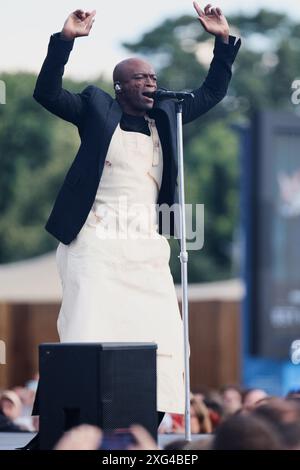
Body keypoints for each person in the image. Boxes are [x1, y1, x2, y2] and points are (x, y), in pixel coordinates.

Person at [28, 2, 240, 448]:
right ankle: (67, 431)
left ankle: (138, 427)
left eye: (154, 79)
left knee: (162, 337)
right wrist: (65, 40)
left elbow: (213, 91)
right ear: (120, 86)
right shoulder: (94, 109)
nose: (152, 84)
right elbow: (47, 93)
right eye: (141, 78)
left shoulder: (168, 116)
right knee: (88, 330)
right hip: (95, 242)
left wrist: (221, 41)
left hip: (145, 248)